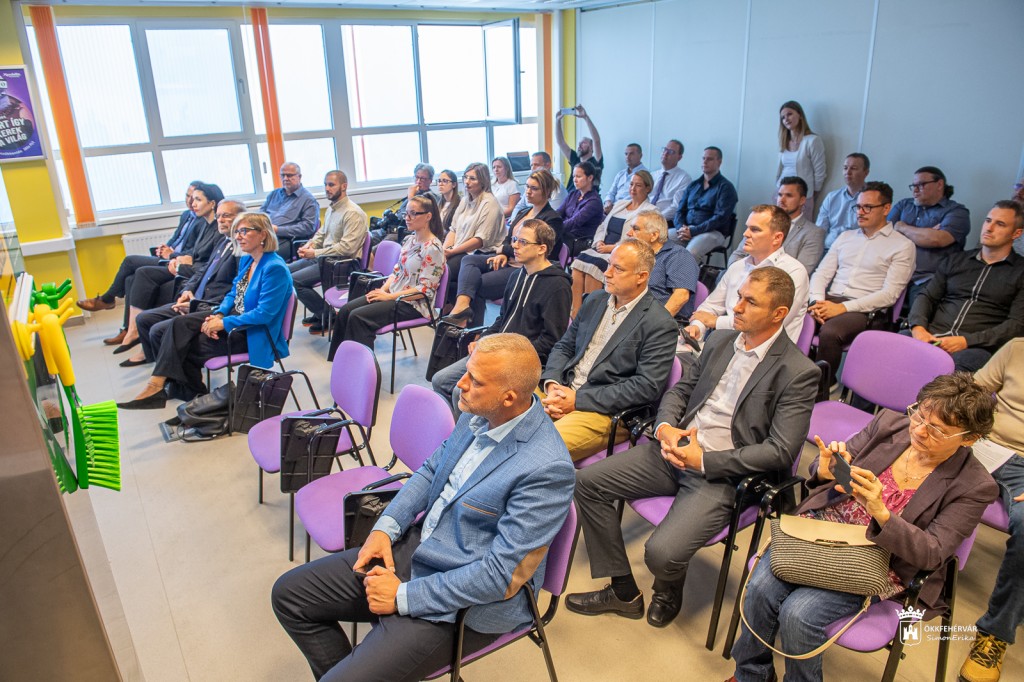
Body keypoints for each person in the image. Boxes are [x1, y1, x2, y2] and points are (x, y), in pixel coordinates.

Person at [272, 333, 576, 682]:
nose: (460, 384)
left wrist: (402, 596)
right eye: (467, 371)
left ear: (508, 397)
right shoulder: (480, 411)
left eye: (475, 380)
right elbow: (433, 470)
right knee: (289, 596)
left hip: (467, 600)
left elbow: (498, 576)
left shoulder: (547, 468)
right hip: (421, 547)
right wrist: (386, 527)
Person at [568, 267, 819, 628]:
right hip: (674, 450)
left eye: (750, 302)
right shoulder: (721, 341)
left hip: (721, 473)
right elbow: (681, 390)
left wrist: (705, 460)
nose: (737, 306)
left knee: (661, 554)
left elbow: (780, 451)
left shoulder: (797, 371)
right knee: (586, 483)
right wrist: (666, 427)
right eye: (739, 296)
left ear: (779, 313)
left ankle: (668, 587)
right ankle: (623, 591)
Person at [731, 373, 998, 682]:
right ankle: (752, 675)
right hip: (822, 530)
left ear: (968, 438)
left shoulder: (974, 485)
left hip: (880, 559)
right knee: (759, 590)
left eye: (937, 429)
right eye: (919, 415)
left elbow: (933, 552)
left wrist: (882, 513)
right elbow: (826, 471)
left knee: (799, 614)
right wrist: (826, 470)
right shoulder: (888, 425)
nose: (919, 430)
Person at [116, 212, 293, 409]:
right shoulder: (248, 260)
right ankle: (181, 396)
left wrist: (223, 323)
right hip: (234, 317)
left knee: (186, 344)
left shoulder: (274, 268)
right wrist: (219, 313)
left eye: (244, 231)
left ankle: (188, 396)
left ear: (263, 234)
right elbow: (233, 293)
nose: (238, 236)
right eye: (237, 232)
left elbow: (264, 314)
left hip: (252, 331)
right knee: (177, 325)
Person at [540, 239, 677, 462]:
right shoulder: (595, 299)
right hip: (563, 388)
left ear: (641, 276)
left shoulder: (660, 323)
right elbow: (564, 346)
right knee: (502, 409)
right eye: (609, 264)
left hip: (604, 410)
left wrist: (578, 400)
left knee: (539, 448)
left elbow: (645, 387)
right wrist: (553, 384)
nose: (607, 273)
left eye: (618, 269)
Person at [431, 219, 571, 409]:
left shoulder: (557, 286)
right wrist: (484, 339)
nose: (515, 246)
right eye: (515, 239)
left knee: (459, 391)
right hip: (499, 352)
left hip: (522, 360)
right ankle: (466, 423)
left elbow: (552, 340)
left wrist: (509, 355)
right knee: (439, 380)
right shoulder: (516, 275)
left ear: (541, 248)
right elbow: (502, 318)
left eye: (523, 242)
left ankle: (474, 426)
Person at [960, 339, 1024, 682]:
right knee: (915, 465)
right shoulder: (1017, 349)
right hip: (986, 444)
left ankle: (994, 634)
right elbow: (973, 390)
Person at [809, 181, 916, 379]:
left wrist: (842, 308)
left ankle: (823, 386)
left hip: (865, 309)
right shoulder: (845, 237)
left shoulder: (902, 246)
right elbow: (821, 274)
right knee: (791, 317)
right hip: (829, 300)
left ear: (886, 208)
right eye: (858, 207)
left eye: (868, 207)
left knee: (830, 332)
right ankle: (797, 377)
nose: (860, 212)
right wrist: (816, 301)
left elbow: (889, 295)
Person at [119, 200, 244, 368]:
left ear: (241, 218)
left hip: (211, 304)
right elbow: (203, 270)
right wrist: (187, 290)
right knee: (144, 318)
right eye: (219, 215)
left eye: (226, 216)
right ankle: (160, 364)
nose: (220, 220)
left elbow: (235, 290)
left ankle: (166, 375)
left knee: (161, 329)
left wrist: (201, 306)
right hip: (196, 297)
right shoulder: (223, 241)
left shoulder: (241, 251)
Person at [907, 201, 1024, 372]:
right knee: (888, 349)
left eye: (1000, 224)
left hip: (977, 347)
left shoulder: (1020, 272)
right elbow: (927, 296)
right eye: (988, 220)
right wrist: (918, 328)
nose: (989, 228)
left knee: (952, 367)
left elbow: (1016, 325)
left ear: (1016, 233)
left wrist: (967, 341)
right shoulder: (956, 260)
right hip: (932, 335)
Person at [327, 195, 445, 360]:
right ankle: (341, 361)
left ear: (428, 216)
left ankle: (362, 367)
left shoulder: (433, 248)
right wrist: (382, 291)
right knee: (346, 310)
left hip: (414, 304)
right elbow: (396, 272)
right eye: (406, 213)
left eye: (413, 214)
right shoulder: (410, 240)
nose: (407, 218)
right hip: (394, 295)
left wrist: (388, 296)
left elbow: (424, 290)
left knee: (358, 317)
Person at [442, 169, 564, 328]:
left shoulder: (552, 219)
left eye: (534, 188)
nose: (528, 191)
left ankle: (472, 330)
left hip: (524, 268)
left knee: (476, 285)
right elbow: (508, 239)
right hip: (509, 260)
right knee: (468, 260)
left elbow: (538, 251)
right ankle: (462, 307)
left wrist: (504, 251)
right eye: (527, 186)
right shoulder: (524, 212)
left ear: (546, 191)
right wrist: (504, 253)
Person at [76, 180, 203, 318]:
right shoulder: (186, 215)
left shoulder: (202, 221)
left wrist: (172, 254)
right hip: (168, 256)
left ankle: (107, 299)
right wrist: (165, 248)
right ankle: (127, 327)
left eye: (194, 198)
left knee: (130, 261)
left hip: (176, 261)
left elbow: (195, 252)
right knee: (129, 279)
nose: (189, 201)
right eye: (187, 196)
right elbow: (176, 238)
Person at [685, 205, 809, 344]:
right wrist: (697, 327)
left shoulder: (794, 272)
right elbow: (710, 307)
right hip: (726, 345)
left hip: (767, 352)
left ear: (777, 238)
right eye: (747, 227)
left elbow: (768, 325)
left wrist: (716, 321)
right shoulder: (738, 267)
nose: (745, 234)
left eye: (754, 229)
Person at [289, 171, 368, 335]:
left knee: (295, 281)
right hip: (324, 258)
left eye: (331, 185)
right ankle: (321, 311)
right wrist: (309, 245)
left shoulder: (352, 213)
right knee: (285, 271)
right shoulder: (332, 209)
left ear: (344, 186)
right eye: (325, 184)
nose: (327, 188)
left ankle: (328, 316)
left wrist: (315, 253)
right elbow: (322, 233)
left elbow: (347, 248)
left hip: (342, 263)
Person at [570, 170, 655, 317]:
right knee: (579, 263)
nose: (633, 188)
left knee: (594, 268)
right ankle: (575, 313)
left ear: (648, 188)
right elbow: (602, 226)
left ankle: (591, 315)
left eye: (638, 185)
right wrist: (599, 241)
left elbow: (639, 238)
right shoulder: (620, 204)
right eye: (631, 184)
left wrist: (612, 248)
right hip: (602, 248)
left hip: (619, 252)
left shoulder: (650, 211)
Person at [887, 166, 970, 306]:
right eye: (913, 186)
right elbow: (885, 235)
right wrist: (926, 232)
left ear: (939, 184)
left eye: (921, 185)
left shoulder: (957, 212)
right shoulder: (904, 205)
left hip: (928, 278)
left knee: (918, 311)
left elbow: (936, 239)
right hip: (893, 272)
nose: (915, 190)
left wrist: (902, 227)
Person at [729, 177, 826, 275]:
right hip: (742, 275)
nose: (781, 200)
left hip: (777, 282)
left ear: (802, 200)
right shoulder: (761, 221)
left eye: (789, 195)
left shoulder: (813, 233)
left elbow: (800, 271)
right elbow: (738, 254)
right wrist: (737, 275)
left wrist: (754, 278)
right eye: (780, 195)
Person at [442, 162, 506, 307]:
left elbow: (480, 240)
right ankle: (456, 310)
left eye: (472, 178)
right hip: (461, 250)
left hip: (483, 253)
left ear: (483, 181)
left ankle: (457, 310)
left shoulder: (489, 203)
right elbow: (453, 229)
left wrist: (451, 252)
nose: (467, 182)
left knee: (445, 270)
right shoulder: (465, 200)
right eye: (465, 177)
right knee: (439, 266)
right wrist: (444, 251)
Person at [625, 210, 699, 322]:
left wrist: (655, 324)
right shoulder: (638, 255)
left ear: (654, 235)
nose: (629, 233)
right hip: (630, 314)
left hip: (657, 321)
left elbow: (681, 296)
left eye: (635, 229)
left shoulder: (678, 256)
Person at [674, 146, 739, 261]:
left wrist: (694, 231)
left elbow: (720, 218)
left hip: (712, 232)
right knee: (657, 241)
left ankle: (685, 273)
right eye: (703, 158)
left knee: (690, 253)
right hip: (687, 229)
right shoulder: (693, 185)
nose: (705, 162)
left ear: (719, 162)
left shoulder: (726, 187)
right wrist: (681, 229)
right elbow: (680, 211)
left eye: (709, 159)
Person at [370, 163, 440, 248]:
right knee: (368, 237)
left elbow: (414, 215)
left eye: (422, 179)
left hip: (402, 232)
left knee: (377, 249)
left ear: (430, 180)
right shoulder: (414, 193)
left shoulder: (430, 198)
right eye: (417, 177)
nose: (418, 181)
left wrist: (411, 196)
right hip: (390, 228)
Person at [260, 161, 320, 260]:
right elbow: (260, 216)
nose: (285, 178)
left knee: (261, 255)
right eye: (282, 175)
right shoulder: (274, 194)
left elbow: (308, 227)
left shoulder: (308, 200)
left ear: (299, 177)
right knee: (241, 250)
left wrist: (277, 230)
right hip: (265, 235)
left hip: (287, 239)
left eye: (289, 175)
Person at [777, 101, 826, 218]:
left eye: (789, 114)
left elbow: (820, 172)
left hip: (801, 195)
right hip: (781, 192)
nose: (786, 119)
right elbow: (780, 169)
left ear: (800, 115)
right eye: (783, 117)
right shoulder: (784, 141)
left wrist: (812, 194)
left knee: (800, 227)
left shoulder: (813, 140)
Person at [817, 153, 869, 249]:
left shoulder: (871, 199)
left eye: (853, 168)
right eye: (845, 168)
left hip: (857, 250)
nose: (848, 172)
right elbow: (820, 230)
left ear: (866, 172)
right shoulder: (831, 197)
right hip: (829, 248)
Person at [559, 160, 604, 256]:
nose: (575, 180)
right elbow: (558, 212)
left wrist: (552, 228)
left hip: (580, 241)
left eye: (578, 176)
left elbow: (574, 222)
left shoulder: (594, 201)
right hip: (565, 235)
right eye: (573, 176)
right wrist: (548, 222)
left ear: (590, 178)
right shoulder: (573, 194)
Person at [555, 104, 604, 191]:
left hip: (587, 197)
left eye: (583, 143)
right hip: (570, 195)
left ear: (591, 148)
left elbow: (596, 140)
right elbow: (560, 142)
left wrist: (586, 117)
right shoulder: (575, 159)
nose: (579, 145)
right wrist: (557, 121)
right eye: (579, 143)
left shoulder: (596, 161)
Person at [648, 139, 692, 224]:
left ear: (679, 157)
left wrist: (655, 219)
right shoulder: (652, 175)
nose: (666, 153)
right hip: (643, 217)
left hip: (664, 221)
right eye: (665, 149)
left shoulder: (684, 178)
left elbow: (676, 207)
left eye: (671, 151)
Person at [602, 143, 647, 213]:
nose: (628, 157)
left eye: (631, 154)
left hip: (629, 211)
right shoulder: (620, 174)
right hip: (613, 209)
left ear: (640, 156)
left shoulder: (645, 175)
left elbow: (641, 199)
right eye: (626, 154)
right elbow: (611, 193)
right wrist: (608, 202)